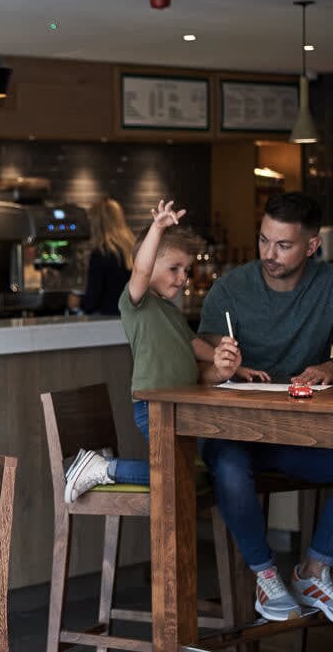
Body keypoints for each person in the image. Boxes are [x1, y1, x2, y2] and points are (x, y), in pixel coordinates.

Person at [197, 192, 333, 623]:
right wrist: (221, 370)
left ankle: (314, 569)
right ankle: (267, 577)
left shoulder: (328, 284)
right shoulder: (230, 290)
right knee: (231, 469)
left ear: (311, 246)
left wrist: (329, 366)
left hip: (296, 437)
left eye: (283, 245)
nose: (268, 255)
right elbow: (198, 373)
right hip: (232, 432)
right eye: (263, 240)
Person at [64, 200, 241, 503]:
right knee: (175, 474)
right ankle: (105, 468)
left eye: (186, 269)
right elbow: (142, 269)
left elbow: (191, 343)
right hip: (154, 405)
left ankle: (105, 466)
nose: (183, 277)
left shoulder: (168, 311)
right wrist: (158, 228)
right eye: (174, 268)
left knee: (189, 473)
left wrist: (220, 357)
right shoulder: (138, 300)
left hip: (178, 404)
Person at [81, 197, 135, 316]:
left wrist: (77, 302)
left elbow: (91, 302)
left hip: (107, 323)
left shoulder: (100, 254)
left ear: (96, 223)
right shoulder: (134, 250)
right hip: (133, 321)